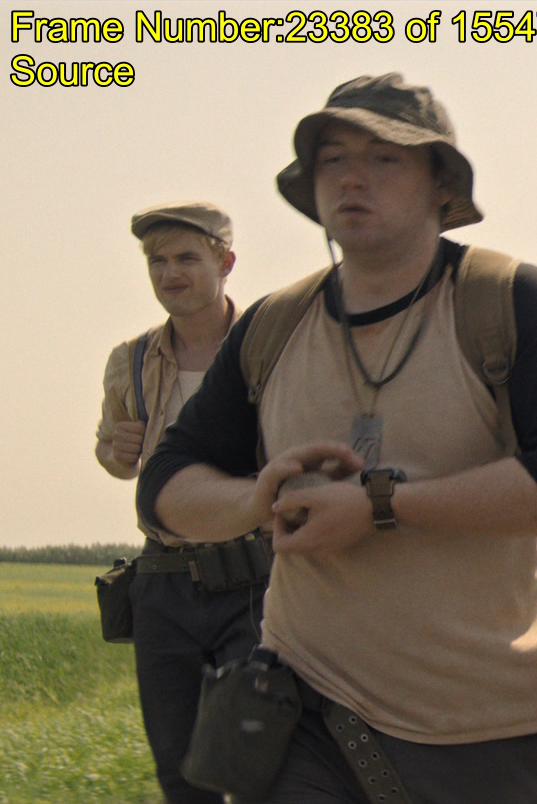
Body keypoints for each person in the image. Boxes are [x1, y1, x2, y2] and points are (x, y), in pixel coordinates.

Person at [135, 74, 537, 803]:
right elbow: (165, 484)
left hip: (482, 721)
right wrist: (254, 499)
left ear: (441, 184)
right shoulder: (273, 326)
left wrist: (381, 506)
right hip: (305, 705)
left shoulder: (508, 301)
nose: (352, 178)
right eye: (332, 159)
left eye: (385, 158)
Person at [97, 201, 265, 804]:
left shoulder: (269, 346)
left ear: (226, 262)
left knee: (262, 760)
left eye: (187, 258)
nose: (170, 274)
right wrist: (114, 451)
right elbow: (114, 456)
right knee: (179, 771)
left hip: (254, 578)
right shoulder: (131, 358)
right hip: (162, 582)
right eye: (157, 261)